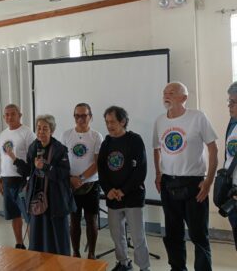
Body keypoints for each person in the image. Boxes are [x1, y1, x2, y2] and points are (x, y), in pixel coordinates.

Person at [153, 82, 218, 271]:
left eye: (171, 93)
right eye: (164, 92)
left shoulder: (197, 117)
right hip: (168, 183)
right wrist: (158, 174)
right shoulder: (160, 120)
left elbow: (213, 149)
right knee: (173, 234)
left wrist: (208, 182)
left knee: (198, 235)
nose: (166, 95)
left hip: (193, 184)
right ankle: (177, 268)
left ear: (184, 98)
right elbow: (156, 148)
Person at [7, 114, 75, 255]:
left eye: (45, 129)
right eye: (38, 128)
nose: (41, 132)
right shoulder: (33, 147)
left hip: (56, 199)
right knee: (38, 236)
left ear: (52, 131)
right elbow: (29, 171)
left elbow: (63, 174)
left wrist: (45, 167)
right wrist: (14, 159)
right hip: (37, 198)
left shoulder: (59, 149)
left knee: (57, 236)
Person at [98, 106, 150, 271]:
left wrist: (123, 190)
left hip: (132, 196)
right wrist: (108, 190)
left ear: (123, 121)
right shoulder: (106, 142)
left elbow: (140, 170)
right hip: (113, 197)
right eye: (107, 122)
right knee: (117, 235)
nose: (109, 125)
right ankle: (123, 263)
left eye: (112, 121)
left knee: (137, 236)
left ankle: (144, 267)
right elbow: (102, 169)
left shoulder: (135, 140)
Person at [61, 103, 103, 259]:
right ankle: (76, 253)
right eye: (77, 115)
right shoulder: (66, 135)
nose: (80, 119)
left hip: (91, 184)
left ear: (90, 117)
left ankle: (91, 253)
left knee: (92, 219)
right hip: (71, 185)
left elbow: (98, 163)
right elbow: (62, 161)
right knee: (74, 219)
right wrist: (71, 179)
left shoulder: (96, 136)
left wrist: (81, 178)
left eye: (84, 115)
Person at [0, 104, 35, 249]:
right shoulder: (2, 134)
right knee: (14, 214)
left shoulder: (27, 133)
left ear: (20, 115)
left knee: (29, 216)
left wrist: (29, 180)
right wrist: (0, 178)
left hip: (22, 180)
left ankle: (34, 245)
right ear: (3, 117)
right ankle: (19, 243)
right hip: (7, 179)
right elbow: (2, 158)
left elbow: (32, 159)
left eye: (13, 114)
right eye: (6, 114)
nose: (9, 117)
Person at [224, 82, 237, 249]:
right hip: (233, 193)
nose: (229, 106)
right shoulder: (232, 124)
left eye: (233, 102)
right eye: (229, 102)